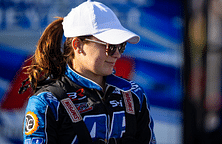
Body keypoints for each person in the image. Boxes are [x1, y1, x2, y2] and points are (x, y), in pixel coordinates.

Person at [21, 0, 156, 144]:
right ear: (77, 45)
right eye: (110, 46)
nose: (117, 54)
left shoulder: (133, 94)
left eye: (121, 46)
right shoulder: (48, 102)